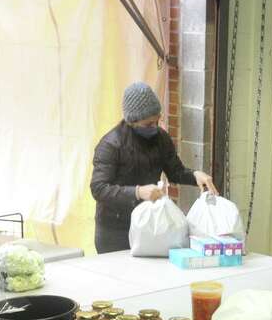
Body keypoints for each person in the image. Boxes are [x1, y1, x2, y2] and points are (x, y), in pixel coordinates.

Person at [90, 81, 218, 253]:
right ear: (131, 121)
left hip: (150, 227)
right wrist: (137, 192)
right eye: (148, 124)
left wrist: (196, 175)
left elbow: (176, 172)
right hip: (115, 231)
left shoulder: (161, 138)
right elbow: (98, 188)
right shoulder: (111, 144)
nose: (154, 128)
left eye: (157, 121)